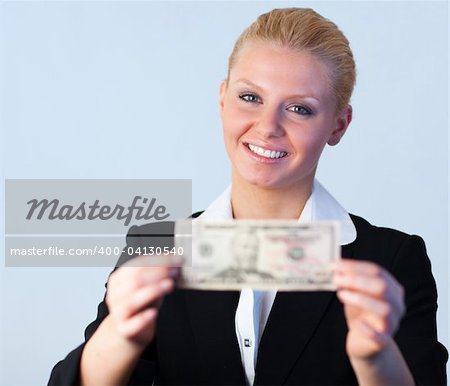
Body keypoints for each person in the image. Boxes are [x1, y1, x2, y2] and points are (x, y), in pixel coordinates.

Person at [48, 7, 448, 385]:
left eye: (299, 109)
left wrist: (374, 356)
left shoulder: (392, 261)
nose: (267, 125)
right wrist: (121, 334)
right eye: (250, 97)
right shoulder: (156, 247)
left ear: (338, 126)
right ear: (222, 99)